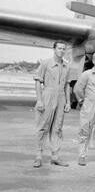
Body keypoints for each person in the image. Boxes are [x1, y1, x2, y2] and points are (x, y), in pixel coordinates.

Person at [33, 40, 71, 168]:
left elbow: (67, 85)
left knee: (57, 128)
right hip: (47, 95)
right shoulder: (45, 63)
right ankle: (38, 156)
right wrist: (39, 100)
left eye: (63, 48)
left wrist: (68, 101)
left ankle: (55, 156)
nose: (61, 50)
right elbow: (38, 81)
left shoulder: (67, 66)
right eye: (59, 48)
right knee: (43, 126)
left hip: (61, 98)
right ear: (54, 49)